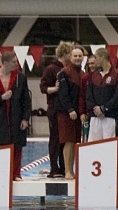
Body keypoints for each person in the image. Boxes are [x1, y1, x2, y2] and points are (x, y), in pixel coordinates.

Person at [0, 51, 31, 181]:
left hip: (16, 115)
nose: (16, 64)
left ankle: (16, 173)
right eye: (14, 62)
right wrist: (1, 97)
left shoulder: (20, 78)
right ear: (5, 63)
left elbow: (26, 100)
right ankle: (0, 172)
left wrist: (25, 118)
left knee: (17, 145)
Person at [40, 41, 73, 178]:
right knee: (55, 139)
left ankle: (64, 167)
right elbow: (43, 88)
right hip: (54, 108)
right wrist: (55, 89)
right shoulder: (51, 69)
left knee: (65, 139)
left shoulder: (69, 69)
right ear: (65, 54)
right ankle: (54, 168)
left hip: (66, 109)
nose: (73, 56)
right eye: (71, 53)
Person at [55, 46, 86, 179]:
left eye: (80, 56)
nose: (78, 58)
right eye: (75, 56)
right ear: (70, 57)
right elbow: (63, 94)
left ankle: (71, 170)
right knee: (68, 141)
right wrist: (70, 109)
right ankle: (67, 170)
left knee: (74, 141)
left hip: (77, 113)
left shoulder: (82, 73)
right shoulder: (64, 72)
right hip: (66, 112)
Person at [86, 48, 118, 142]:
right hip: (95, 116)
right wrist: (96, 109)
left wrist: (103, 109)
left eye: (96, 57)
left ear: (102, 57)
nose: (94, 60)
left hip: (110, 117)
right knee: (93, 145)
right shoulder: (94, 75)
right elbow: (88, 96)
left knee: (109, 145)